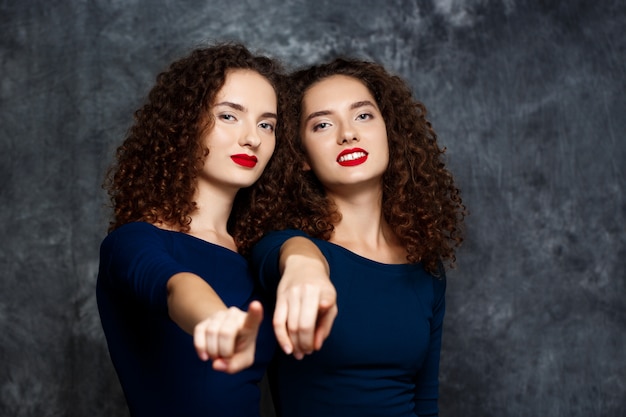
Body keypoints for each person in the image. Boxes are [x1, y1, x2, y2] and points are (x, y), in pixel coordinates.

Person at [244, 57, 466, 417]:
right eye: (323, 124)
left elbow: (425, 401)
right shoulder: (281, 248)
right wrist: (304, 266)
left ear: (389, 131)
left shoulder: (427, 268)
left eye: (363, 115)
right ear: (301, 156)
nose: (347, 133)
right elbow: (286, 253)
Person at [96, 43, 285, 417]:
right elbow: (176, 285)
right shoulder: (133, 241)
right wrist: (216, 319)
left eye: (267, 124)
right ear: (185, 122)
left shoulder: (257, 254)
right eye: (230, 116)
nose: (253, 138)